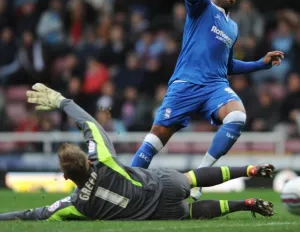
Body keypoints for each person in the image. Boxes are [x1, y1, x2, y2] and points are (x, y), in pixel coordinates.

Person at [130, 0, 284, 199]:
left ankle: (199, 177)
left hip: (214, 86)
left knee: (237, 116)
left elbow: (228, 66)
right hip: (186, 83)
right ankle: (129, 188)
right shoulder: (201, 8)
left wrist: (260, 64)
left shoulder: (232, 27)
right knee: (157, 137)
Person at [0, 83, 274, 221]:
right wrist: (62, 100)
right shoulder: (102, 160)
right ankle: (249, 170)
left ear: (66, 177)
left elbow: (35, 214)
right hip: (162, 184)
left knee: (191, 213)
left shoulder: (77, 206)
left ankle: (242, 205)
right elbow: (89, 124)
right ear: (86, 158)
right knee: (191, 179)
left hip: (155, 212)